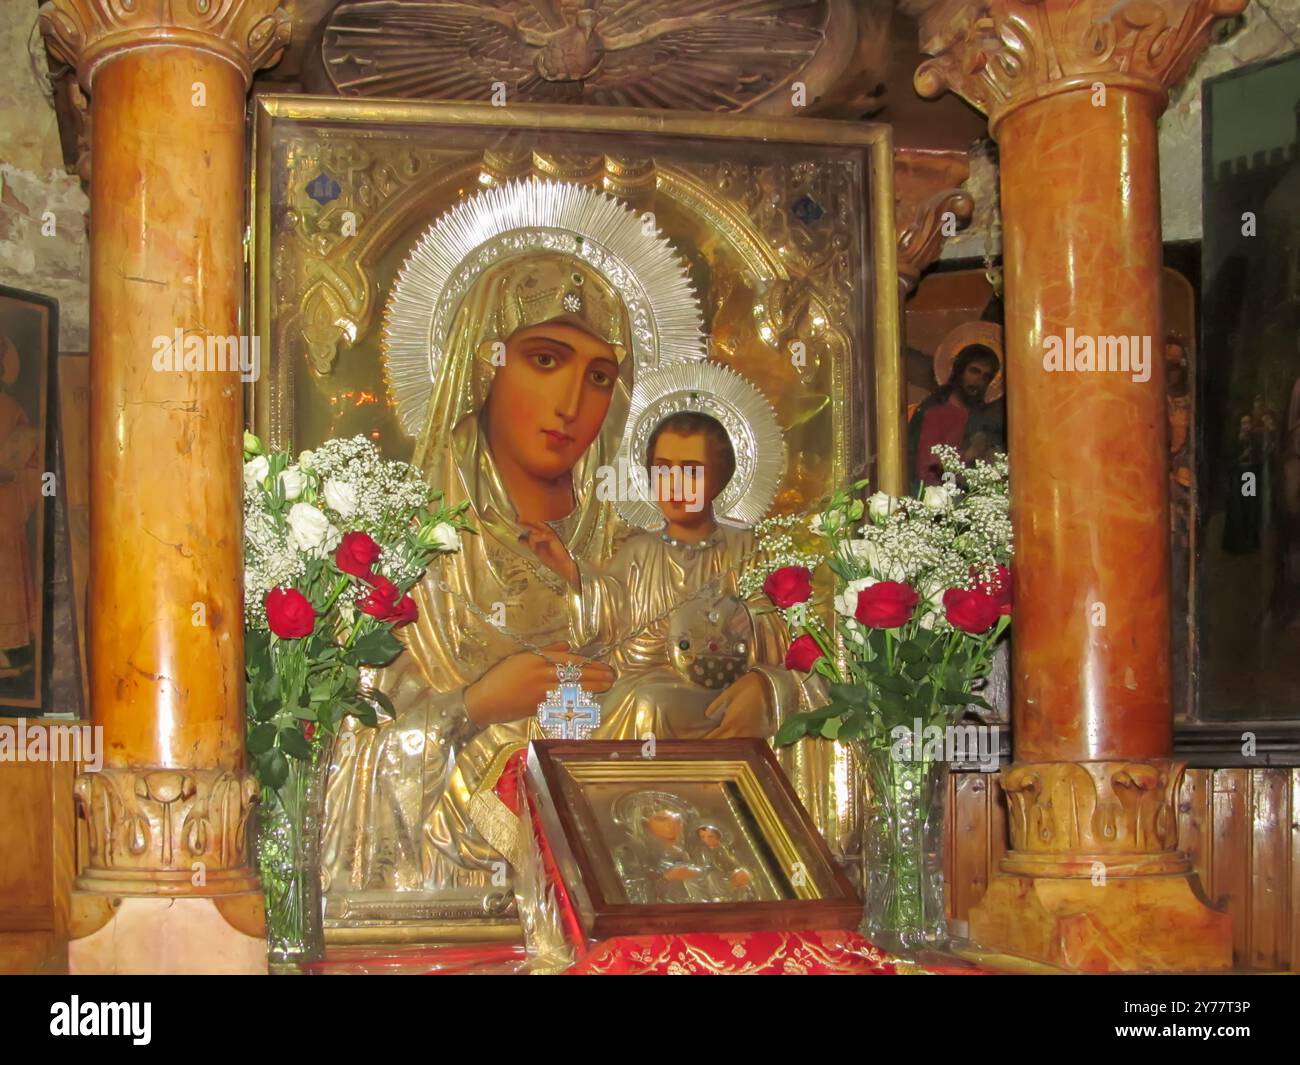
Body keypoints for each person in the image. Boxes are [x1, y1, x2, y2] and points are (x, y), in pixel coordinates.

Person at [322, 254, 781, 911]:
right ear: (485, 363)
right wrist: (475, 704)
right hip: (469, 898)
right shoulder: (406, 558)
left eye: (598, 377)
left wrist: (763, 687)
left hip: (636, 869)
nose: (572, 404)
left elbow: (718, 652)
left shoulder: (631, 550)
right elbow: (348, 756)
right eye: (544, 360)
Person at [524, 409, 805, 741]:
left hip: (706, 688)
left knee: (650, 704)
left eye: (691, 471)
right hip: (632, 678)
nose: (676, 484)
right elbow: (611, 614)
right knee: (555, 714)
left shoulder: (744, 549)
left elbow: (779, 627)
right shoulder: (638, 552)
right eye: (663, 470)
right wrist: (568, 568)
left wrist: (745, 619)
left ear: (719, 478)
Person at [907, 343, 1003, 490]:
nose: (979, 381)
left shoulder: (984, 418)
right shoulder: (934, 411)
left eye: (986, 376)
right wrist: (970, 453)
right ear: (960, 370)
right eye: (974, 371)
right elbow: (927, 465)